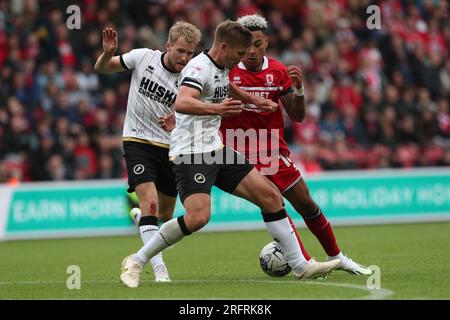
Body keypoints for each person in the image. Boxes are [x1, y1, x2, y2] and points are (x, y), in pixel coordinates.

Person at [120, 20, 341, 288]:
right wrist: (217, 110)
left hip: (216, 148)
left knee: (270, 197)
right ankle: (137, 260)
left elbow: (225, 84)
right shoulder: (198, 68)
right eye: (238, 54)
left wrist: (254, 99)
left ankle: (301, 266)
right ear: (224, 46)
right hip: (191, 152)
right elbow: (182, 101)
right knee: (198, 218)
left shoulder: (221, 66)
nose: (241, 60)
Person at [220, 14, 372, 275]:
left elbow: (298, 116)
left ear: (266, 42)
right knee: (274, 202)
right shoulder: (226, 71)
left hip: (273, 150)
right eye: (246, 46)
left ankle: (337, 256)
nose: (252, 52)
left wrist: (299, 89)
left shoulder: (278, 72)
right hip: (238, 151)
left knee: (306, 204)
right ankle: (304, 261)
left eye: (257, 44)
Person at [94, 22, 202, 282]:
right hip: (138, 141)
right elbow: (101, 69)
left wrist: (179, 122)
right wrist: (108, 53)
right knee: (150, 202)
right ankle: (159, 272)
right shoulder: (143, 57)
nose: (185, 58)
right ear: (167, 46)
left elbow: (201, 118)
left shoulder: (194, 78)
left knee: (163, 216)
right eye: (180, 51)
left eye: (189, 53)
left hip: (172, 148)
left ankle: (142, 219)